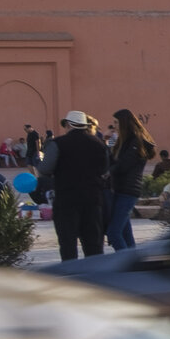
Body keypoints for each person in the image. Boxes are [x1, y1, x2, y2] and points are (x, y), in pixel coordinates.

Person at [50, 110, 109, 261]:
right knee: (93, 244)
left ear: (69, 125)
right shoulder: (99, 144)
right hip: (93, 199)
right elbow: (104, 169)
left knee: (68, 243)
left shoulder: (58, 143)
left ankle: (71, 276)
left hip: (67, 199)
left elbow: (45, 168)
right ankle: (94, 278)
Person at [102, 109, 156, 253]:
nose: (114, 126)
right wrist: (105, 142)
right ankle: (134, 264)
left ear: (124, 123)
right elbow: (112, 161)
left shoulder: (135, 142)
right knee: (125, 234)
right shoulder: (124, 141)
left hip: (128, 191)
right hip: (120, 189)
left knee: (113, 233)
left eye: (116, 122)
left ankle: (126, 264)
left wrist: (108, 173)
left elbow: (124, 164)